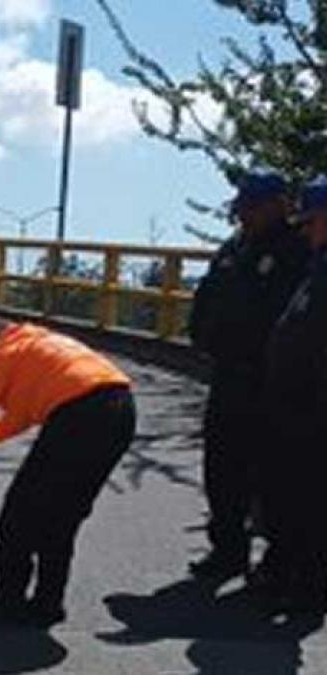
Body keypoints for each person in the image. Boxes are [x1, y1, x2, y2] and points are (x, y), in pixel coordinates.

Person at [0, 315, 136, 627]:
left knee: (19, 512)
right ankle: (47, 603)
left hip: (79, 415)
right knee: (62, 516)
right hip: (120, 409)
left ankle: (8, 599)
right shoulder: (32, 344)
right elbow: (10, 424)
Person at [188, 170, 310, 582]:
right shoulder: (235, 247)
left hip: (272, 379)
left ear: (281, 204)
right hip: (228, 376)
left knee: (274, 474)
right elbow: (206, 297)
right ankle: (226, 550)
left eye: (255, 207)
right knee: (221, 468)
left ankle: (279, 561)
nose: (246, 215)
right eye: (243, 207)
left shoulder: (298, 250)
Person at [261, 176, 327, 612]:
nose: (303, 230)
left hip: (315, 410)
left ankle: (309, 586)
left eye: (312, 221)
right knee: (289, 494)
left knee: (312, 500)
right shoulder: (316, 266)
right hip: (294, 407)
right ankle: (286, 573)